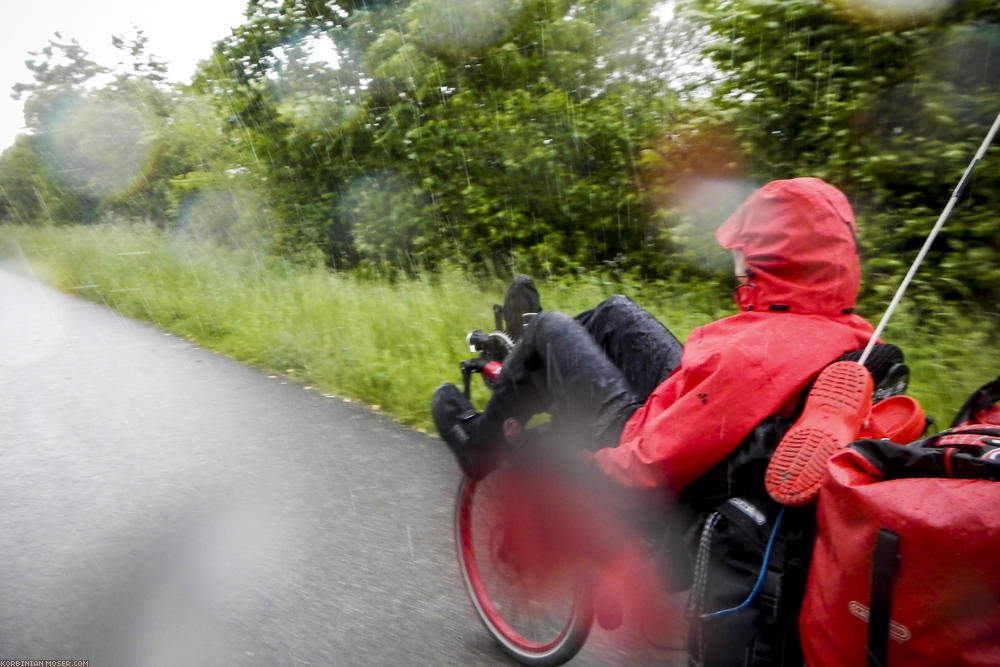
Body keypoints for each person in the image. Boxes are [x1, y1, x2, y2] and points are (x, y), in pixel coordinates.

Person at [431, 177, 878, 500]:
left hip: (644, 436)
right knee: (615, 314)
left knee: (552, 327)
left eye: (743, 254)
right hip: (691, 402)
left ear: (775, 262)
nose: (735, 265)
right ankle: (529, 359)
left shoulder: (755, 359)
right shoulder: (846, 330)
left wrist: (570, 468)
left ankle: (482, 442)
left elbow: (653, 464)